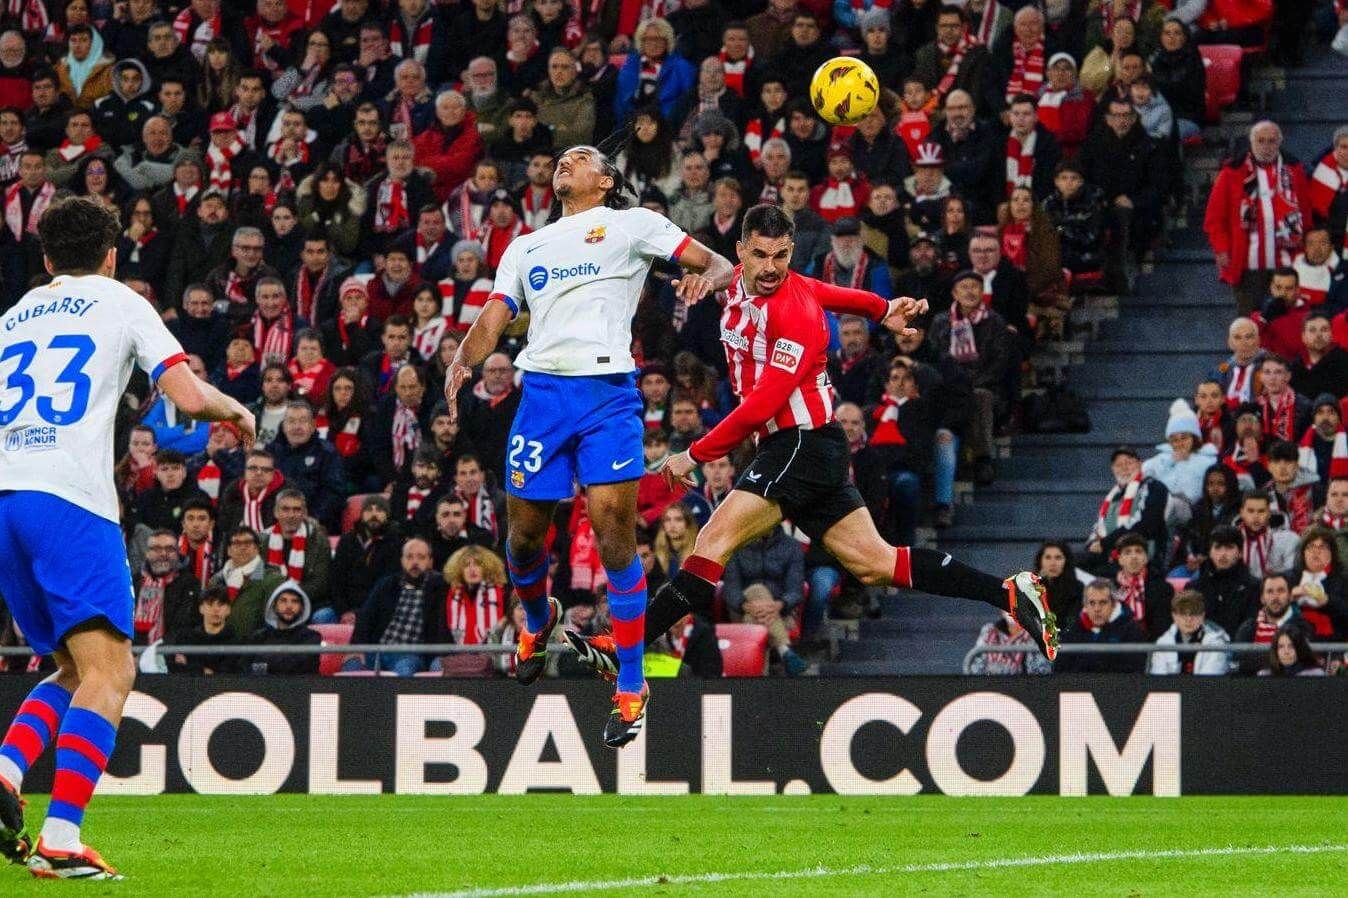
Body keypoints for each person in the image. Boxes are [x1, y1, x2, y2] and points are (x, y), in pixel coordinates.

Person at [568, 204, 1059, 690]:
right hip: (808, 450)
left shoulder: (796, 316)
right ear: (742, 251)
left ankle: (622, 648)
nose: (771, 267)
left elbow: (761, 407)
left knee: (712, 542)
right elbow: (834, 292)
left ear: (791, 252)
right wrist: (884, 309)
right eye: (761, 255)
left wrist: (692, 455)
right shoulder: (752, 279)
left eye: (781, 256)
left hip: (798, 444)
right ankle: (1009, 593)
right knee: (876, 562)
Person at [444, 144, 734, 747]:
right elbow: (497, 315)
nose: (564, 163)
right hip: (543, 396)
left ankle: (630, 685)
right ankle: (537, 618)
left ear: (606, 181)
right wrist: (463, 361)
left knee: (614, 534)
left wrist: (704, 279)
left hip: (608, 397)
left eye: (580, 158)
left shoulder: (634, 224)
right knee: (523, 539)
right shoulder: (526, 245)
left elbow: (720, 265)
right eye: (561, 159)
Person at [0, 197, 254, 878]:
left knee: (74, 668)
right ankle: (60, 837)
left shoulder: (9, 320)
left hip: (5, 502)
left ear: (48, 259)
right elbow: (190, 397)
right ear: (111, 256)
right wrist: (237, 411)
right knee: (114, 671)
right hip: (69, 500)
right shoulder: (119, 302)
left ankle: (5, 769)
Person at [1204, 121, 1313, 315]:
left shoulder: (1294, 169)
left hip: (1286, 261)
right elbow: (1214, 219)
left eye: (1271, 141)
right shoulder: (1232, 172)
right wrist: (1221, 248)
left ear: (1280, 142)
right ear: (1251, 142)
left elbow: (1305, 213)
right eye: (1261, 140)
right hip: (1247, 263)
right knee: (1250, 321)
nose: (1266, 146)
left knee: (1286, 321)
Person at [349, 536, 447, 676]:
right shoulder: (387, 584)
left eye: (421, 557)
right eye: (409, 557)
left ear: (430, 562)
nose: (415, 562)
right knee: (352, 663)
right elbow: (366, 617)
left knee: (404, 668)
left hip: (411, 654)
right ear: (402, 561)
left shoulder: (440, 587)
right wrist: (356, 649)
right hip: (378, 650)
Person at [1054, 579, 1149, 673]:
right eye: (1092, 603)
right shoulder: (1073, 631)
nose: (1097, 609)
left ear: (1114, 604)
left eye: (1103, 602)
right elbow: (1061, 670)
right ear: (1085, 606)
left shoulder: (1132, 632)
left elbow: (1134, 672)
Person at [1234, 572, 1316, 674]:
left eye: (1280, 591)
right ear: (1262, 598)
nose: (1275, 597)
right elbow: (1241, 661)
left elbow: (1301, 659)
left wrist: (1259, 657)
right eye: (1269, 592)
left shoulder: (1302, 627)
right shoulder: (1249, 628)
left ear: (1290, 596)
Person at [242, 581, 322, 676]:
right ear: (274, 606)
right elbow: (244, 669)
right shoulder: (258, 637)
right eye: (283, 600)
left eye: (295, 601)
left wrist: (264, 664)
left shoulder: (311, 637)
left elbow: (292, 668)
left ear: (302, 608)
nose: (289, 606)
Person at [1149, 590, 1232, 675]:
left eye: (1194, 613)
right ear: (1174, 616)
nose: (1188, 619)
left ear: (1203, 615)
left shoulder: (1216, 643)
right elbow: (1159, 682)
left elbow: (1210, 683)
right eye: (1183, 614)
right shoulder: (1163, 643)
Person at [966, 613, 1054, 675]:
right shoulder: (989, 631)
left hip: (1023, 689)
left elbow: (1040, 674)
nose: (1012, 610)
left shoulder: (1039, 633)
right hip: (990, 692)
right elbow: (975, 668)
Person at [1259, 626, 1325, 676]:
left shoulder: (1315, 675)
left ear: (1300, 648)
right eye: (1281, 647)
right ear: (1276, 650)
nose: (1286, 652)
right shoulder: (1264, 675)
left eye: (1291, 646)